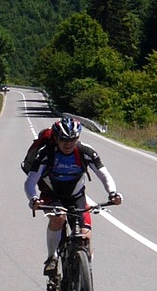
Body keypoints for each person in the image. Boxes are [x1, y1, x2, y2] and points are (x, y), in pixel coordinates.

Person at [24, 116, 121, 276]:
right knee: (59, 218)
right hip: (51, 195)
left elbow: (104, 174)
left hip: (76, 196)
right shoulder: (46, 154)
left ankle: (86, 277)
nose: (68, 144)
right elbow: (30, 181)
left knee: (85, 236)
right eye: (63, 140)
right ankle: (52, 258)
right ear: (56, 138)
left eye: (73, 139)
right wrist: (33, 198)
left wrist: (112, 193)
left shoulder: (85, 151)